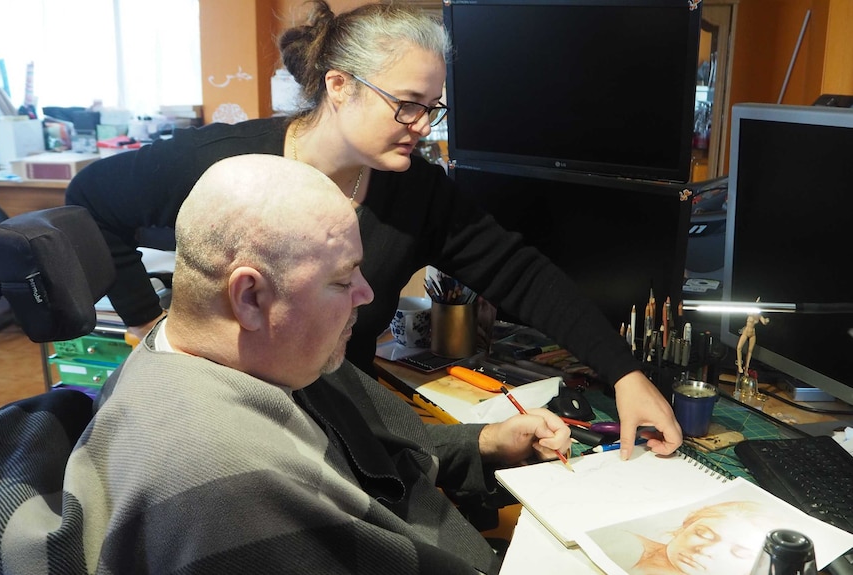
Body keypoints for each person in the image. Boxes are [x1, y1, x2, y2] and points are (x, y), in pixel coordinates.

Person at [65, 0, 680, 459]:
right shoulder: (223, 162)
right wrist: (146, 320)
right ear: (339, 86)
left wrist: (625, 374)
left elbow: (520, 273)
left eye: (432, 109)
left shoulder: (414, 189)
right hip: (219, 431)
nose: (421, 125)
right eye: (406, 103)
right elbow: (90, 198)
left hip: (340, 425)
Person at [0, 154, 574, 574]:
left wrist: (484, 443)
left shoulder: (261, 355)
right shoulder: (230, 480)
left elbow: (372, 451)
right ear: (249, 297)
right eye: (343, 279)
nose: (367, 294)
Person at [592, 500, 780, 575]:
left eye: (740, 552)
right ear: (685, 525)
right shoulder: (628, 546)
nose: (705, 551)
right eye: (704, 534)